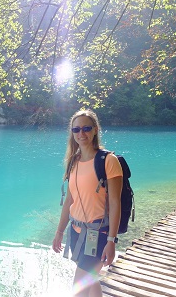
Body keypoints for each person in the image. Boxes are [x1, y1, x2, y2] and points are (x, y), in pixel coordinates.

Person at [52, 109, 123, 297]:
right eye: (76, 129)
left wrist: (111, 241)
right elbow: (69, 199)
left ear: (95, 130)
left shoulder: (108, 161)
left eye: (86, 128)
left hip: (99, 234)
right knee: (90, 282)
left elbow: (116, 203)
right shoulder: (73, 161)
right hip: (76, 232)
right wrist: (59, 232)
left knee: (79, 288)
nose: (81, 134)